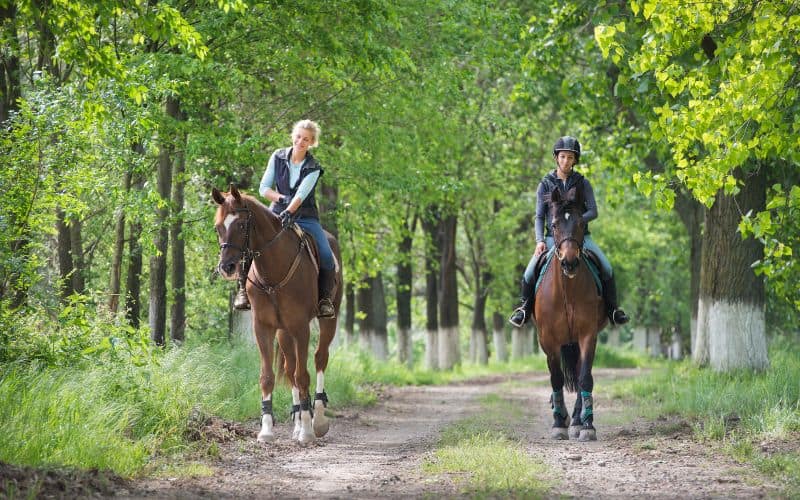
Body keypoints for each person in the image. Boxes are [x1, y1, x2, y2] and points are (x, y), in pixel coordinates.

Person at [509, 135, 629, 327]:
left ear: (575, 160)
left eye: (570, 158)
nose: (566, 161)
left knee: (606, 267)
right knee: (529, 272)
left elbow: (593, 211)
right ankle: (523, 309)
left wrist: (578, 221)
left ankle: (613, 310)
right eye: (563, 156)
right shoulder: (545, 184)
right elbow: (539, 216)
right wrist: (540, 240)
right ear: (556, 157)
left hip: (580, 237)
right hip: (552, 238)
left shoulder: (582, 183)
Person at [233, 119, 336, 319]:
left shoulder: (314, 167)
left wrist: (290, 210)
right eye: (298, 137)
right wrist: (282, 200)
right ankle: (242, 291)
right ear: (292, 136)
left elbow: (301, 194)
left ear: (312, 142)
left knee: (326, 254)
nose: (300, 141)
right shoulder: (278, 156)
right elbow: (264, 189)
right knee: (248, 243)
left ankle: (324, 300)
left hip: (305, 216)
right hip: (276, 213)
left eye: (306, 139)